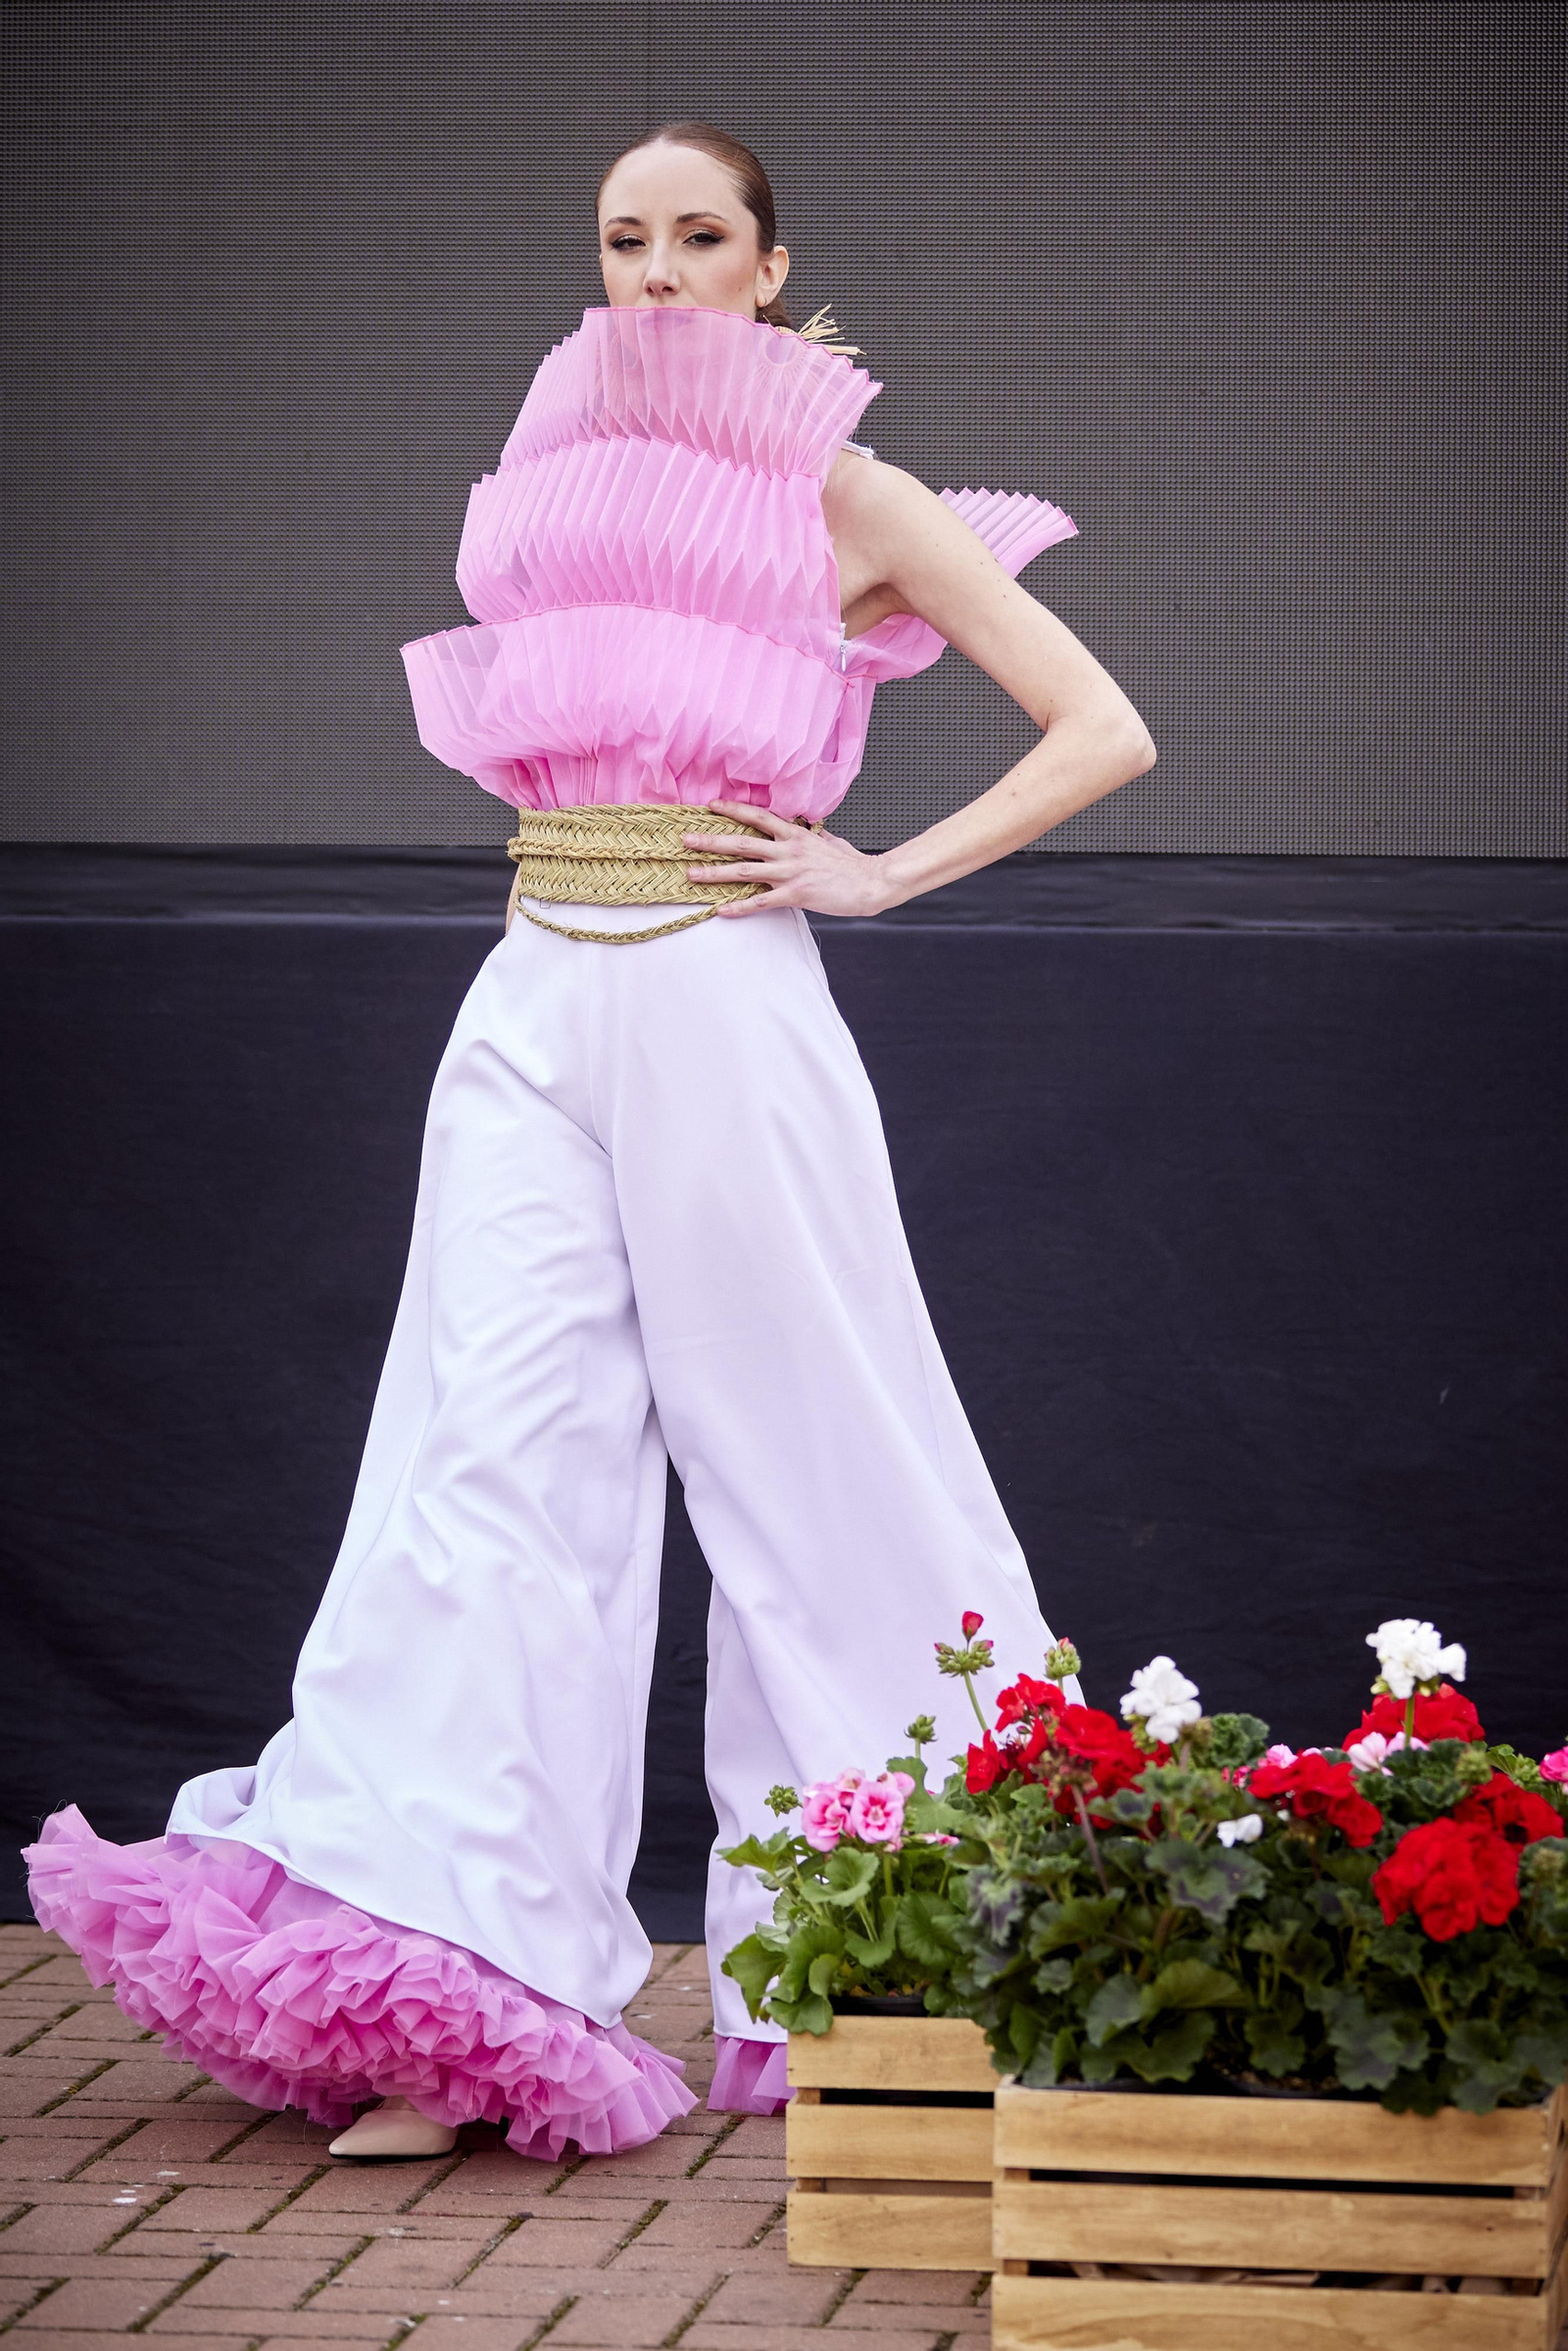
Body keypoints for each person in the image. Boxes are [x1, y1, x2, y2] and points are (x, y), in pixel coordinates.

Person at [25, 122, 1155, 2161]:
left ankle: (900, 1970)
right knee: (479, 1457)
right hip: (535, 976)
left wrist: (877, 873)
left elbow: (1103, 726)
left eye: (694, 237)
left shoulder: (851, 488)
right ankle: (446, 1987)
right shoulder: (549, 479)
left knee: (824, 1463)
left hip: (723, 997)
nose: (652, 272)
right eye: (620, 239)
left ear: (765, 260)